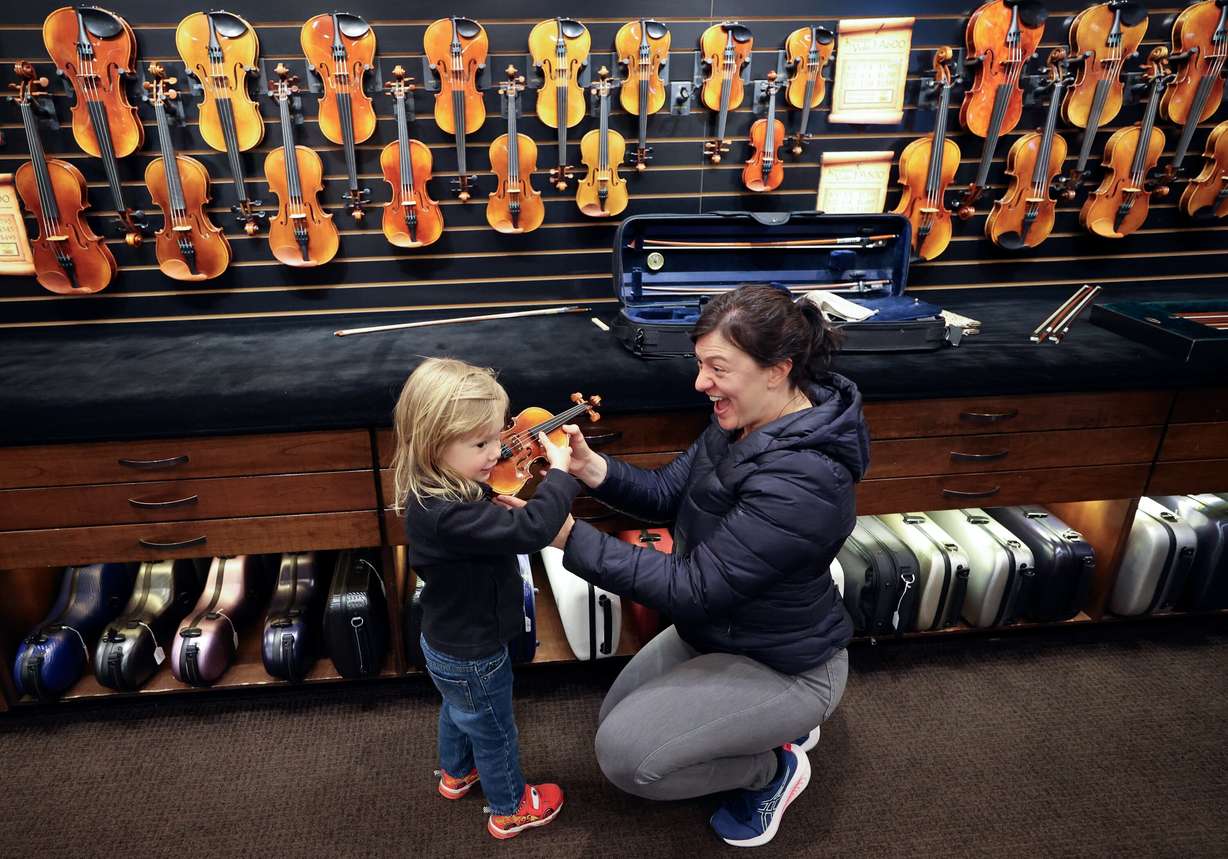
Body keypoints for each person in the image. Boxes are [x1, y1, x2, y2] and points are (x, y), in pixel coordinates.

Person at [552, 284, 869, 847]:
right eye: (700, 365)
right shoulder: (744, 420)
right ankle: (762, 730)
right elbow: (669, 492)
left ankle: (774, 768)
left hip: (785, 663)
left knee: (627, 759)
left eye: (717, 367)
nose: (701, 384)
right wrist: (592, 468)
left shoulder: (805, 479)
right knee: (615, 722)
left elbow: (694, 588)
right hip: (719, 632)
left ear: (777, 369)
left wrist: (568, 537)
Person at [391, 357, 577, 840]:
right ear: (434, 444)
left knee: (459, 709)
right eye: (481, 444)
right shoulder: (450, 515)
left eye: (497, 437)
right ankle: (511, 806)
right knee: (495, 729)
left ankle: (456, 773)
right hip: (474, 650)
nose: (498, 452)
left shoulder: (435, 492)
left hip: (446, 638)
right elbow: (535, 528)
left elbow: (489, 515)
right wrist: (558, 475)